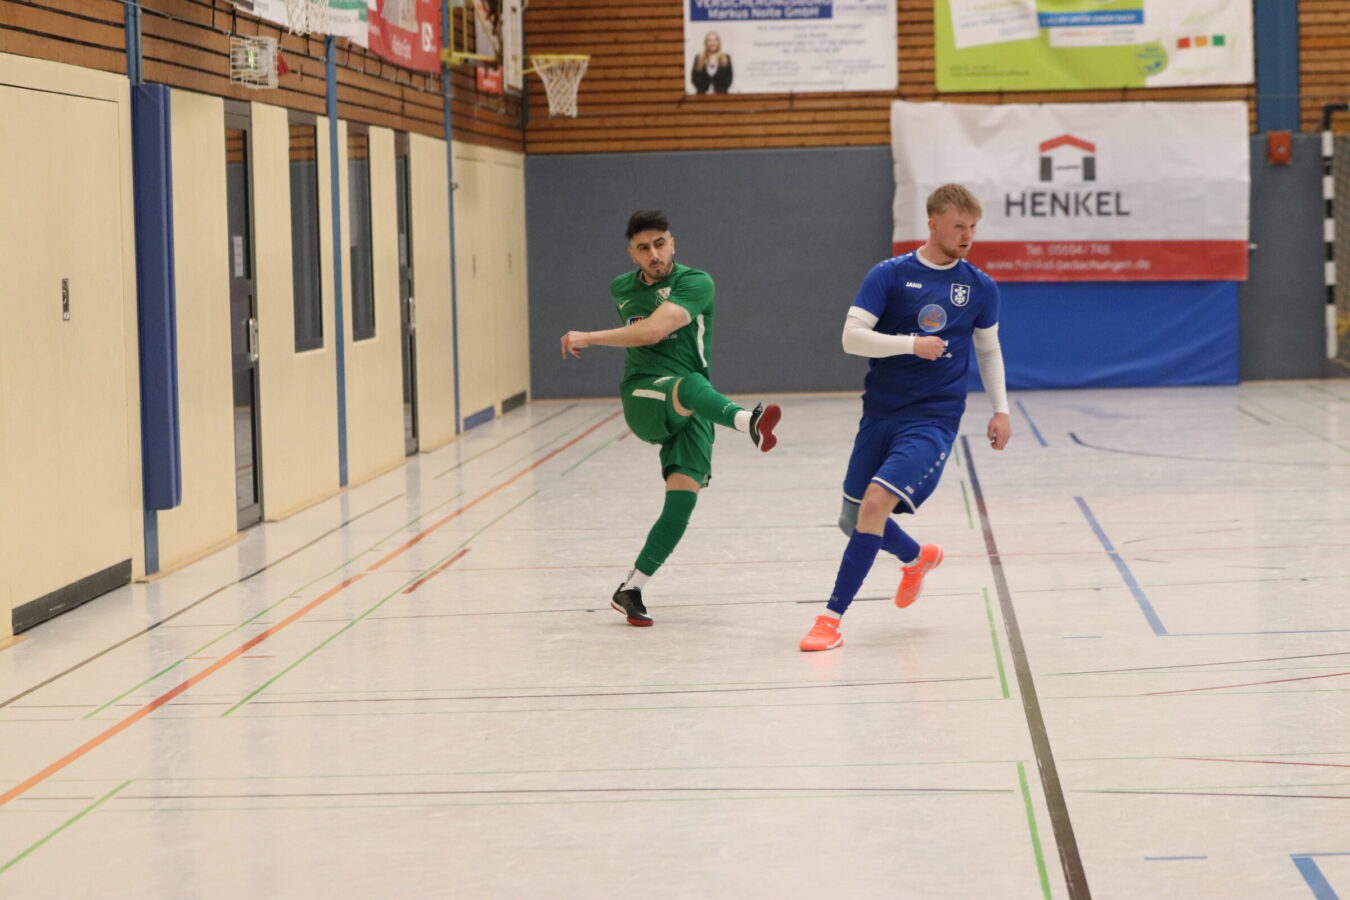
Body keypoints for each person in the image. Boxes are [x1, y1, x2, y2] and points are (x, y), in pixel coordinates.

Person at [799, 183, 1011, 652]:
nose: (967, 236)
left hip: (934, 418)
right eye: (958, 226)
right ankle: (917, 558)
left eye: (973, 227)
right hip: (880, 411)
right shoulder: (890, 275)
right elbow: (851, 338)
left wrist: (1001, 409)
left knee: (875, 503)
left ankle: (829, 620)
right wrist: (910, 344)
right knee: (851, 518)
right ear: (933, 224)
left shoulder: (979, 287)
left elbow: (988, 349)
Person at [562, 209, 781, 627]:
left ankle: (631, 588)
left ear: (673, 243)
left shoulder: (696, 282)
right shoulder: (621, 288)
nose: (654, 254)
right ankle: (746, 421)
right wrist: (590, 338)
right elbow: (644, 335)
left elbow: (652, 330)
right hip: (644, 395)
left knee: (681, 501)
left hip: (692, 403)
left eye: (660, 244)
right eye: (643, 248)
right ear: (632, 254)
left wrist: (588, 336)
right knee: (689, 384)